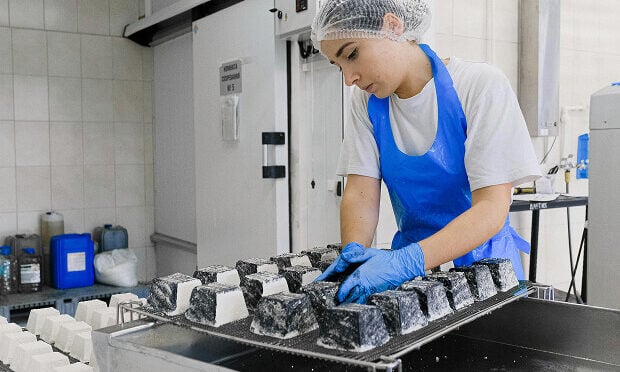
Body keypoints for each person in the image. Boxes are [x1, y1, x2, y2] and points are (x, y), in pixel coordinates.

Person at [312, 0, 541, 304]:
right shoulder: (365, 102)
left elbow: (491, 209)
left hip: (486, 273)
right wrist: (355, 258)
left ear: (393, 26)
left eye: (352, 54)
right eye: (339, 66)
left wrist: (408, 261)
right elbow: (361, 193)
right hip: (414, 282)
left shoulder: (477, 85)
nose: (348, 78)